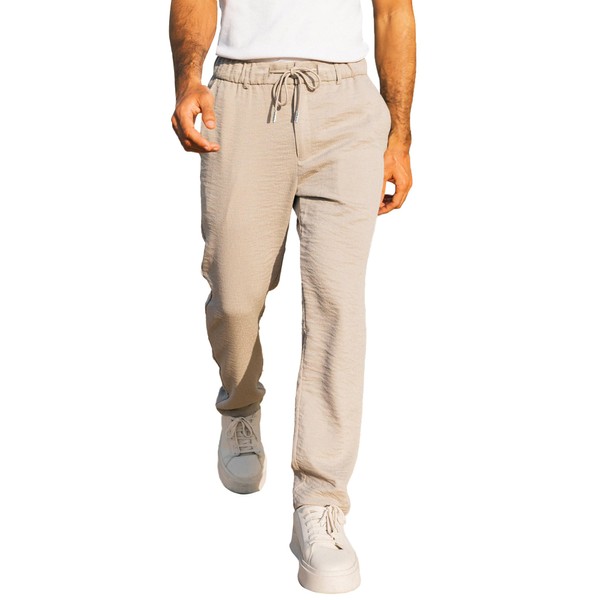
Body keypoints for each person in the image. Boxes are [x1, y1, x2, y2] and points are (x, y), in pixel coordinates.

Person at [169, 0, 416, 593]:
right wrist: (188, 80)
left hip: (346, 102)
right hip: (242, 93)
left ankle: (321, 502)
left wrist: (400, 134)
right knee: (234, 294)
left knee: (337, 307)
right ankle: (240, 406)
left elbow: (393, 12)